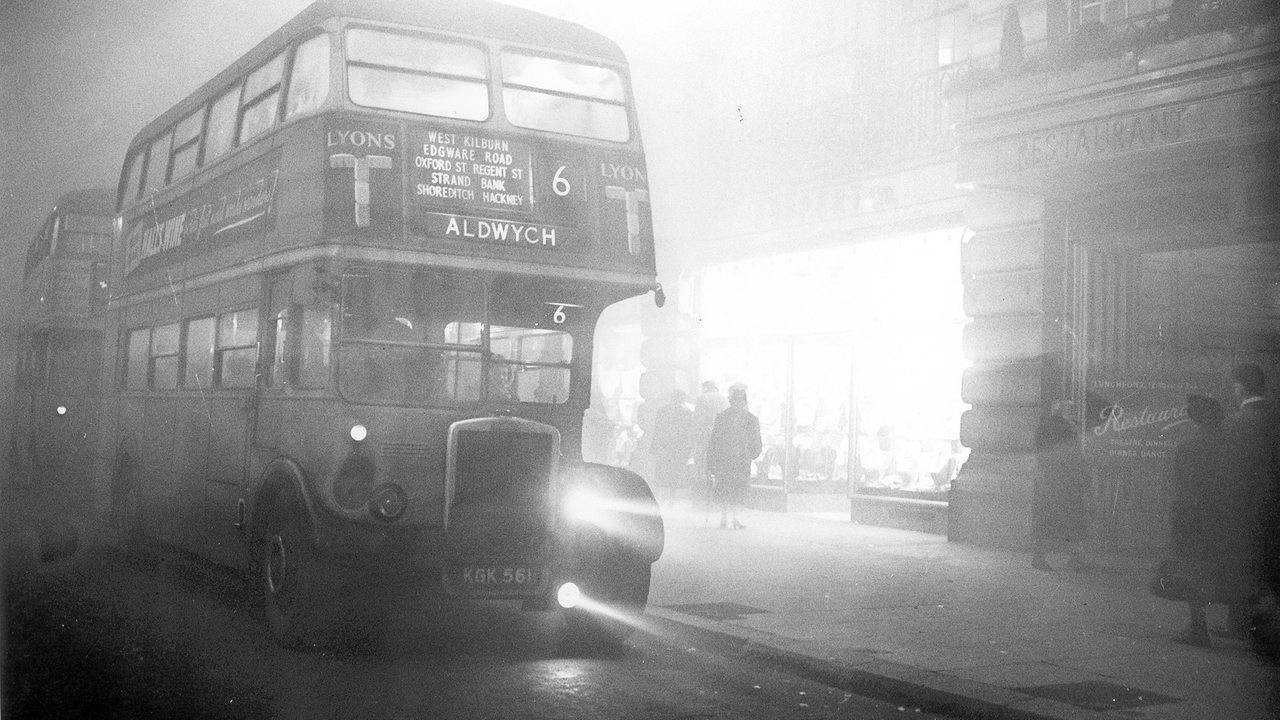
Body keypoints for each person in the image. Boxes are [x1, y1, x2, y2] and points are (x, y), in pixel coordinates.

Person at [1220, 362, 1280, 650]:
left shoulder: (1233, 424)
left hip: (1243, 511)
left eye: (1234, 386)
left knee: (1244, 567)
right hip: (1273, 510)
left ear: (1241, 387)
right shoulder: (1276, 419)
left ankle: (1243, 625)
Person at [1164, 394, 1227, 647]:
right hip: (1223, 515)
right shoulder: (1229, 443)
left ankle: (1198, 627)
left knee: (1193, 571)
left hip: (1194, 517)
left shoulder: (1189, 446)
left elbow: (1182, 485)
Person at [1031, 400, 1088, 571]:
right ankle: (1071, 558)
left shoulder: (1055, 426)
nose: (1074, 412)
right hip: (1060, 479)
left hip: (1055, 479)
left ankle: (1042, 557)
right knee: (1067, 518)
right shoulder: (1062, 428)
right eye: (1070, 409)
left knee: (1052, 519)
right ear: (1060, 411)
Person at [707, 383, 762, 530]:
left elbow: (714, 440)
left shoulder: (724, 417)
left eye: (739, 401)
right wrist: (753, 453)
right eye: (735, 400)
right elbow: (755, 441)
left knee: (731, 487)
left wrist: (711, 460)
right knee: (733, 488)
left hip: (733, 460)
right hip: (735, 460)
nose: (737, 403)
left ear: (743, 402)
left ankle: (729, 517)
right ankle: (728, 517)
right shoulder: (749, 419)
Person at [649, 390, 695, 508]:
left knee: (663, 470)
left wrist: (654, 447)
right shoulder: (688, 413)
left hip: (664, 446)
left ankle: (662, 497)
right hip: (679, 448)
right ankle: (671, 498)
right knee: (676, 472)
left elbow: (657, 430)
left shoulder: (662, 411)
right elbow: (689, 433)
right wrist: (689, 449)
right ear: (683, 399)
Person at [691, 380, 729, 520]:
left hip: (706, 438)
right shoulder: (725, 399)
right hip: (722, 440)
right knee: (718, 469)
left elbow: (697, 421)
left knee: (702, 468)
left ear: (705, 388)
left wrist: (695, 440)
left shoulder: (702, 398)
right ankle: (716, 501)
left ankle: (702, 501)